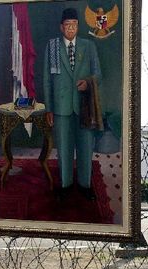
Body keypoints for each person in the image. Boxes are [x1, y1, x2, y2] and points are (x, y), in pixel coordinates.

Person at [43, 7, 102, 201]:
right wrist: (49, 109)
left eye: (74, 25)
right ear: (61, 27)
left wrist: (88, 83)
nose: (71, 29)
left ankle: (85, 186)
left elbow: (98, 75)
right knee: (64, 148)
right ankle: (66, 186)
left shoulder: (89, 46)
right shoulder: (52, 48)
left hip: (84, 106)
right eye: (67, 25)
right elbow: (47, 80)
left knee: (85, 146)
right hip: (61, 109)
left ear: (78, 26)